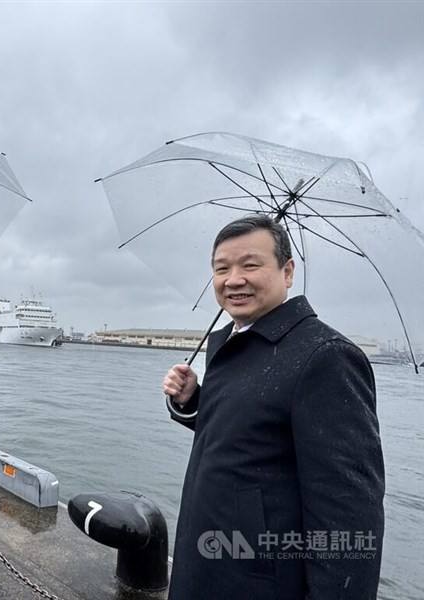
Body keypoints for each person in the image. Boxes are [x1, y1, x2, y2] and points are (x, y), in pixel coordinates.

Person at [162, 214, 384, 600]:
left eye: (250, 265)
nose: (234, 279)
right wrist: (190, 402)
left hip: (258, 581)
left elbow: (348, 510)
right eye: (222, 268)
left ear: (287, 271)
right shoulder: (232, 343)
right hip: (205, 561)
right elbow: (248, 435)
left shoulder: (325, 357)